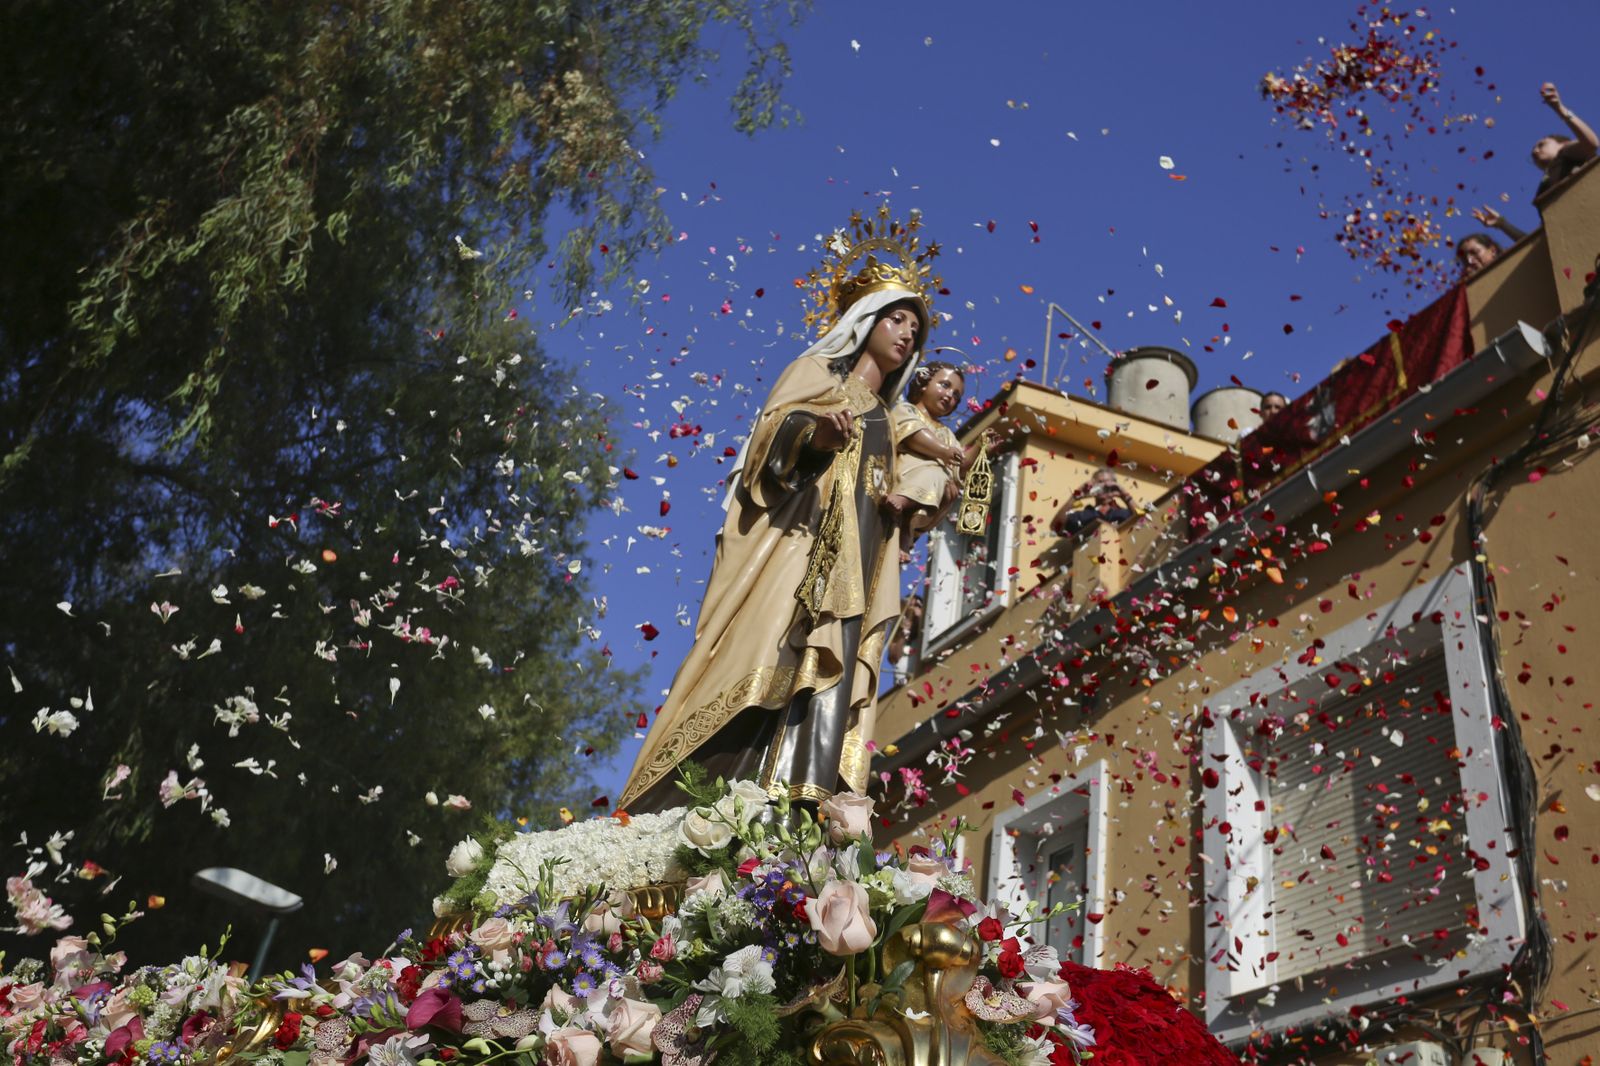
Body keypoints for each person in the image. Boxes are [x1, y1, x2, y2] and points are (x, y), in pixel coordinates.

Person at [617, 207, 939, 814]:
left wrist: (925, 497)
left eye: (915, 330)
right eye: (895, 318)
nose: (905, 334)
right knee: (768, 659)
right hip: (798, 552)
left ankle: (802, 804)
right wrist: (813, 435)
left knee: (832, 684)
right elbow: (771, 438)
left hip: (860, 568)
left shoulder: (893, 421)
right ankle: (714, 799)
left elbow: (913, 484)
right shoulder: (816, 371)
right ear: (864, 319)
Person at [887, 361, 980, 558]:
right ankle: (903, 501)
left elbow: (959, 467)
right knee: (934, 473)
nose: (949, 396)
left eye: (956, 395)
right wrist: (943, 451)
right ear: (924, 382)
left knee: (943, 480)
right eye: (945, 385)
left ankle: (907, 532)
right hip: (907, 472)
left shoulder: (946, 433)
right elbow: (914, 435)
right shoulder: (907, 410)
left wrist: (982, 447)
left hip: (936, 490)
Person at [1530, 82, 1597, 200]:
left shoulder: (1565, 152)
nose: (1535, 151)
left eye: (1541, 145)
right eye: (1533, 153)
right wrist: (1501, 220)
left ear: (1563, 144)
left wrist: (1559, 108)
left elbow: (1591, 144)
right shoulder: (1543, 187)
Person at [1051, 469, 1137, 539]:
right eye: (1099, 483)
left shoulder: (1126, 513)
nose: (1104, 487)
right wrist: (1074, 497)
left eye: (1108, 483)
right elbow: (1055, 528)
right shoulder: (1082, 516)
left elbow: (1146, 522)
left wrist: (1124, 495)